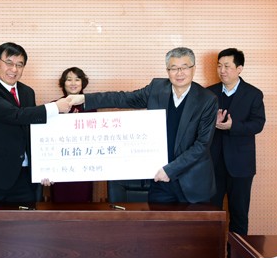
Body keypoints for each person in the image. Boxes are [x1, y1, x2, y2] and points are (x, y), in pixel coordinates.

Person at [68, 47, 218, 204]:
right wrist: (85, 99)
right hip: (160, 181)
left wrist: (170, 170)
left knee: (194, 221)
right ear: (167, 71)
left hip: (192, 183)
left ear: (193, 68)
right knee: (157, 220)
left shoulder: (207, 100)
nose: (179, 73)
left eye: (184, 67)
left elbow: (202, 145)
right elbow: (124, 98)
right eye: (173, 68)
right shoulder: (157, 88)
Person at [0, 42, 73, 203]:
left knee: (25, 220)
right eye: (9, 63)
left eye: (19, 65)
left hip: (23, 178)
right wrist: (55, 107)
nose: (14, 69)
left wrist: (45, 167)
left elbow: (33, 130)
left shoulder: (27, 92)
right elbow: (15, 115)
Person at [207, 48, 266, 258]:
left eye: (227, 66)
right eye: (219, 65)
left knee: (239, 215)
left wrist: (233, 126)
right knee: (211, 215)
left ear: (239, 68)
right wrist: (211, 123)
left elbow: (258, 124)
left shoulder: (253, 94)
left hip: (241, 166)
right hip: (213, 165)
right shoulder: (208, 93)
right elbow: (197, 124)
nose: (222, 70)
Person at [49, 67, 95, 203]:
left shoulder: (90, 107)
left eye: (77, 79)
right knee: (59, 206)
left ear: (83, 83)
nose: (73, 83)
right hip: (59, 165)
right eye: (69, 80)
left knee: (83, 206)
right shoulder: (54, 106)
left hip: (84, 166)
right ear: (63, 83)